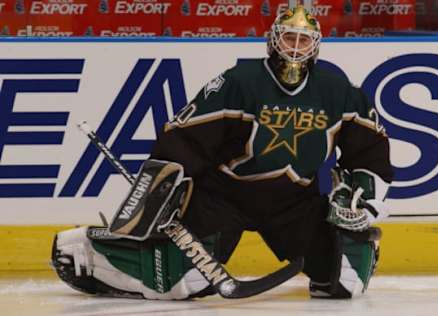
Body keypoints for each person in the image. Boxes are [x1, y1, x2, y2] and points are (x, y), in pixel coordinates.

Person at [52, 5, 393, 300]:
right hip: (225, 197)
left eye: (303, 40)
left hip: (294, 202)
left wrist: (360, 196)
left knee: (346, 282)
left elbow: (370, 149)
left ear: (315, 46)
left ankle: (361, 247)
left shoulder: (337, 91)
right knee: (183, 283)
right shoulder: (239, 81)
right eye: (289, 38)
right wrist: (163, 195)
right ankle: (91, 247)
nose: (295, 48)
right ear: (274, 40)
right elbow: (184, 137)